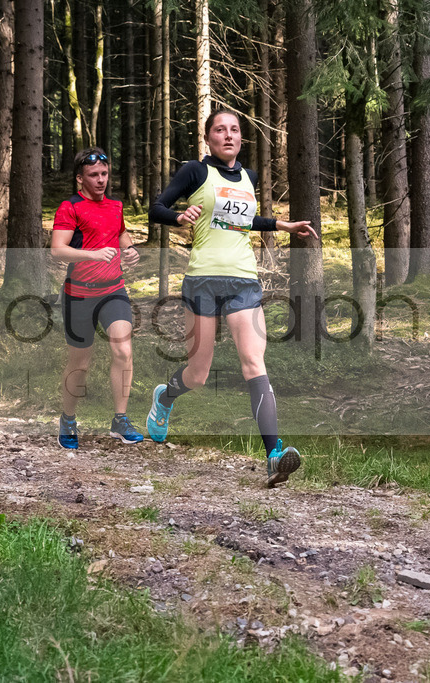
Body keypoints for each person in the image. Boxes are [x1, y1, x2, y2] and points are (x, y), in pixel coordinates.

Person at [145, 109, 318, 487]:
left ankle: (274, 454)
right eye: (220, 130)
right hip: (202, 280)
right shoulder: (194, 171)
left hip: (243, 280)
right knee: (198, 373)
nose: (228, 136)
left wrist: (281, 224)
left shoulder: (248, 177)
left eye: (234, 130)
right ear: (208, 138)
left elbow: (243, 220)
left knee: (254, 362)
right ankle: (165, 397)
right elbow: (155, 208)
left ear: (241, 138)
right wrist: (178, 217)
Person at [51, 147, 144, 449]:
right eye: (94, 175)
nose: (101, 180)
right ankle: (68, 418)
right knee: (80, 363)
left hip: (113, 290)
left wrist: (128, 251)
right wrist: (93, 254)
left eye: (104, 174)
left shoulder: (115, 206)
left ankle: (120, 419)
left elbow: (120, 233)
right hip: (78, 295)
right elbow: (58, 249)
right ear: (80, 178)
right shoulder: (70, 207)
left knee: (123, 350)